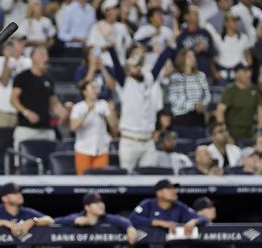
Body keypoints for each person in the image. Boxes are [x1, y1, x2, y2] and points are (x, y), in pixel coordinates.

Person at [109, 42, 174, 172]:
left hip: (148, 142)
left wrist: (171, 44)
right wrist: (111, 47)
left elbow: (161, 61)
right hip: (129, 141)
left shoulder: (149, 79)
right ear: (128, 67)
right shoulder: (125, 82)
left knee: (149, 180)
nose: (138, 68)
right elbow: (116, 65)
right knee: (127, 181)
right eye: (134, 65)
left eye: (140, 64)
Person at [10, 46, 68, 152]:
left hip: (46, 129)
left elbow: (54, 102)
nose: (45, 58)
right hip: (26, 128)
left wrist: (63, 112)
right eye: (41, 54)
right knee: (22, 161)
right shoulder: (22, 77)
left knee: (51, 160)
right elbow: (13, 99)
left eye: (46, 55)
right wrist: (26, 112)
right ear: (32, 57)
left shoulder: (48, 79)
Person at [70, 80, 118, 174]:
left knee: (100, 182)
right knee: (83, 182)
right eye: (92, 88)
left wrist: (111, 111)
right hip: (83, 149)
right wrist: (88, 109)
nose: (96, 91)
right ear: (84, 91)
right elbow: (73, 127)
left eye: (96, 88)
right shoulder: (78, 107)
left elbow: (113, 125)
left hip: (101, 149)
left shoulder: (103, 104)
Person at [215, 63, 262, 141]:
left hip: (250, 133)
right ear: (236, 73)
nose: (248, 74)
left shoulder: (254, 89)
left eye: (249, 71)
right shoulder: (230, 90)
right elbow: (220, 111)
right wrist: (225, 133)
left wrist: (260, 130)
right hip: (232, 133)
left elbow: (260, 110)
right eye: (244, 71)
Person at [0, 37, 31, 127]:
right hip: (3, 108)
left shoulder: (28, 62)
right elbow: (3, 82)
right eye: (19, 42)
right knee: (1, 138)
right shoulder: (0, 60)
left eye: (22, 42)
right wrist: (7, 59)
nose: (22, 44)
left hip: (21, 108)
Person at [166, 48, 210, 128]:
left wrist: (202, 105)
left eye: (193, 56)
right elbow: (173, 98)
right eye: (189, 56)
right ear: (182, 59)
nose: (193, 59)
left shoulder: (201, 75)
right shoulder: (175, 77)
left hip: (199, 114)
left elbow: (207, 94)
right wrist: (192, 106)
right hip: (181, 116)